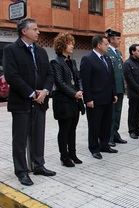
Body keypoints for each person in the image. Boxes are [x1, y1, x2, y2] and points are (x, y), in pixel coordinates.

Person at [3, 18, 56, 186]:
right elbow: (12, 76)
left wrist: (45, 91)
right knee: (20, 139)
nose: (38, 32)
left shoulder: (41, 51)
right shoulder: (11, 50)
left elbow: (49, 75)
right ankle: (21, 171)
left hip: (40, 102)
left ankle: (38, 165)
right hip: (21, 102)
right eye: (35, 29)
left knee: (38, 136)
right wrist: (32, 93)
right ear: (24, 31)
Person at [80, 35, 118, 159]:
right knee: (95, 125)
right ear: (98, 45)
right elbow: (85, 81)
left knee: (106, 123)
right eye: (106, 44)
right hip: (95, 99)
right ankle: (94, 148)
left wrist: (114, 93)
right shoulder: (88, 59)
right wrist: (88, 99)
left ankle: (104, 145)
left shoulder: (106, 58)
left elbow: (111, 78)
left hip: (108, 97)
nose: (108, 46)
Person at [50, 32, 84, 167]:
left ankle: (73, 154)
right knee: (64, 129)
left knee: (73, 129)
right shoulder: (55, 62)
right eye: (70, 43)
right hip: (63, 101)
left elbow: (78, 78)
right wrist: (74, 93)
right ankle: (64, 157)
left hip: (75, 100)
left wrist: (80, 90)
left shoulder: (72, 61)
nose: (72, 46)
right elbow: (59, 82)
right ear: (63, 45)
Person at [105, 29, 127, 146]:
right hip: (112, 89)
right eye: (118, 39)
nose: (119, 41)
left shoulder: (118, 53)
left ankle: (115, 134)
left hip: (119, 88)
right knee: (111, 114)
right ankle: (109, 137)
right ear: (112, 39)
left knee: (118, 113)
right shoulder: (107, 52)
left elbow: (120, 71)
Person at [123, 44, 139, 139]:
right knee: (132, 113)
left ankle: (138, 130)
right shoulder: (127, 64)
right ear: (132, 52)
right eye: (138, 51)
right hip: (134, 93)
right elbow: (130, 81)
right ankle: (132, 131)